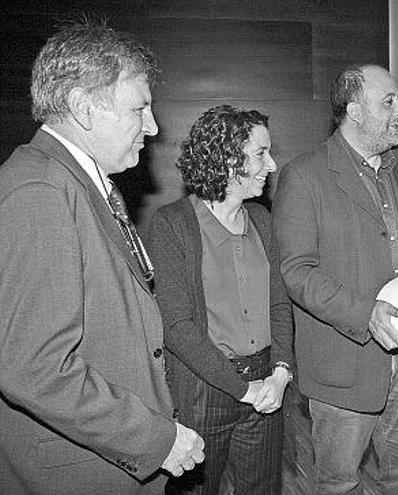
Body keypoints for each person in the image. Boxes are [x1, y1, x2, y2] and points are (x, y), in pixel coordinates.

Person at [0, 20, 204, 494]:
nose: (152, 128)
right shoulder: (40, 192)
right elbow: (34, 367)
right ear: (83, 107)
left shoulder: (76, 182)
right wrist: (157, 439)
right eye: (140, 109)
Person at [273, 64, 398, 494]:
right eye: (389, 102)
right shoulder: (304, 176)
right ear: (354, 110)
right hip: (343, 364)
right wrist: (365, 314)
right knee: (337, 481)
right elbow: (296, 271)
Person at [146, 105, 293, 494]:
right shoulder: (172, 224)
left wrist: (280, 373)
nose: (272, 164)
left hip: (266, 385)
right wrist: (242, 390)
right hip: (202, 391)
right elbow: (177, 328)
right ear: (228, 158)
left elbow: (279, 304)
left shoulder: (261, 218)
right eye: (261, 153)